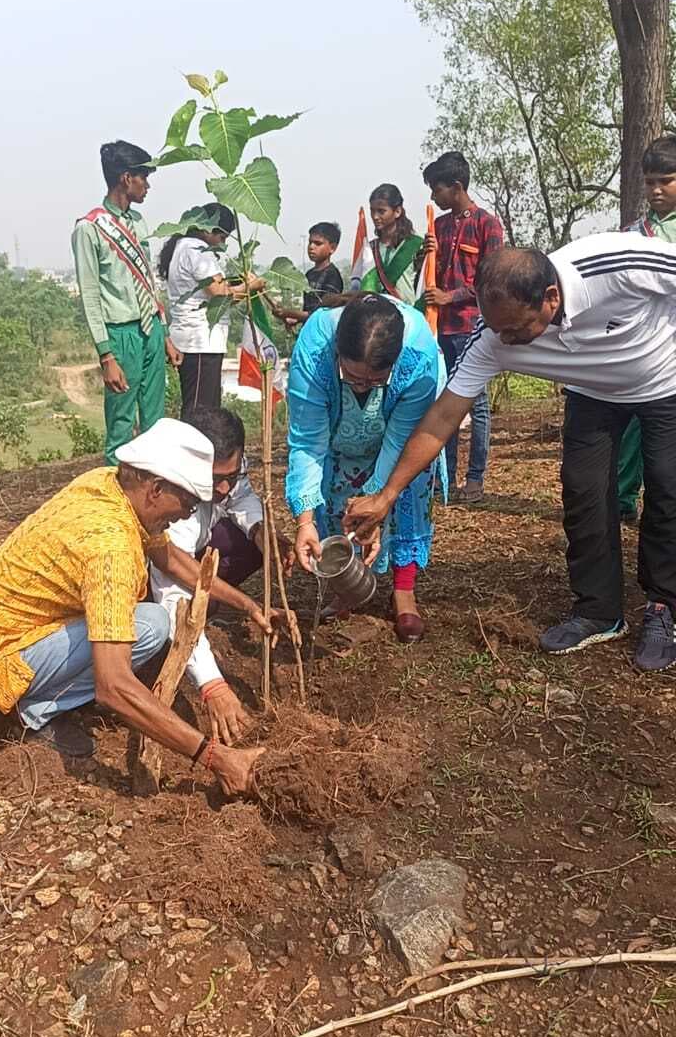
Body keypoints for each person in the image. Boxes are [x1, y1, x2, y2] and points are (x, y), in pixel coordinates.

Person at [344, 233, 676, 672]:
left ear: (551, 297)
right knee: (584, 492)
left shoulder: (613, 265)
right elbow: (442, 418)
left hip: (664, 381)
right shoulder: (493, 337)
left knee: (668, 486)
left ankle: (664, 607)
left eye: (518, 329)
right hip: (592, 394)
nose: (509, 340)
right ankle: (598, 611)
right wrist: (387, 495)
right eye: (499, 329)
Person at [0, 418, 271, 790]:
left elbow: (169, 558)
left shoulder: (110, 484)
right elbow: (114, 686)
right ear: (156, 489)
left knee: (151, 623)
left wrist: (247, 604)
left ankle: (39, 698)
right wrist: (216, 757)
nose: (185, 516)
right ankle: (32, 708)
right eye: (187, 504)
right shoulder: (111, 547)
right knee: (150, 626)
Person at [287, 295, 447, 643]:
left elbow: (400, 441)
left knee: (408, 487)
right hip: (339, 432)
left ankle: (404, 590)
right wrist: (304, 520)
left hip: (400, 434)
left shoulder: (417, 355)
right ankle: (347, 587)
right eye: (353, 376)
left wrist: (377, 500)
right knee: (339, 496)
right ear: (337, 354)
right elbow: (308, 439)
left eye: (374, 380)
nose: (361, 386)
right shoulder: (314, 350)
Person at [150, 407, 294, 740]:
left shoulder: (224, 478)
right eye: (216, 479)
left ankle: (208, 606)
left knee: (250, 544)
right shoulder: (167, 504)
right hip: (148, 584)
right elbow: (173, 593)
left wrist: (263, 533)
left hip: (190, 553)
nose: (225, 487)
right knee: (159, 617)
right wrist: (211, 684)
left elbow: (241, 498)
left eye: (233, 474)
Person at [72, 140, 179, 465]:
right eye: (143, 177)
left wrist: (165, 334)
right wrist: (106, 355)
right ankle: (115, 503)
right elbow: (90, 295)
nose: (148, 185)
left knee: (155, 422)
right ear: (125, 178)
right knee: (120, 425)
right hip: (120, 335)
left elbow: (148, 281)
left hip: (151, 332)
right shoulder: (89, 229)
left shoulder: (139, 222)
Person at [422, 151, 504, 502]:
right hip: (441, 329)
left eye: (436, 190)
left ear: (456, 187)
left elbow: (493, 281)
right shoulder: (438, 227)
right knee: (447, 402)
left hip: (472, 326)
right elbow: (425, 276)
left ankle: (475, 479)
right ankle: (446, 477)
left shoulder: (487, 224)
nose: (433, 198)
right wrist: (422, 255)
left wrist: (449, 296)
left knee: (478, 404)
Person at [618, 135, 676, 524]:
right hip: (647, 352)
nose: (656, 189)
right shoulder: (633, 235)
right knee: (635, 430)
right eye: (650, 180)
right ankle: (623, 499)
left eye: (666, 180)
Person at [158, 203, 263, 414]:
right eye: (222, 238)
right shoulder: (197, 250)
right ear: (208, 230)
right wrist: (251, 286)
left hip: (196, 340)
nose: (223, 245)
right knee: (200, 411)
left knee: (203, 407)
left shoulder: (182, 247)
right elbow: (220, 294)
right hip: (199, 342)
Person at [350, 185, 423, 304]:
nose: (375, 217)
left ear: (397, 211)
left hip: (408, 314)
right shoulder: (369, 249)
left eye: (381, 211)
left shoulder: (416, 245)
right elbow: (357, 285)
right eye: (372, 211)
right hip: (376, 315)